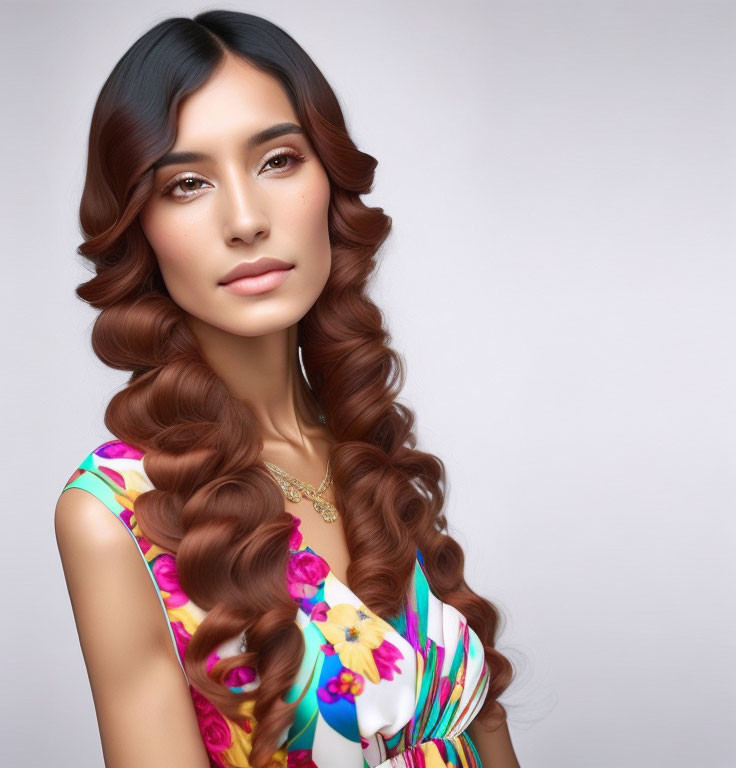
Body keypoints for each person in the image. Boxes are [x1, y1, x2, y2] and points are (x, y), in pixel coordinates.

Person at [55, 10, 521, 768]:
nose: (245, 220)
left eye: (277, 160)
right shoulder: (117, 516)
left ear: (326, 182)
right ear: (139, 227)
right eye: (187, 183)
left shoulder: (367, 453)